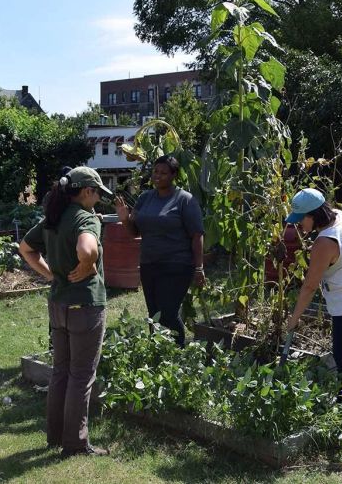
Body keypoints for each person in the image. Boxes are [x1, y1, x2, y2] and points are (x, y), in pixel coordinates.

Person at [19, 166, 112, 457]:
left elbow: (25, 248)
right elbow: (87, 250)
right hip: (85, 307)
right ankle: (75, 444)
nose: (98, 200)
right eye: (97, 193)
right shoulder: (85, 218)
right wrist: (88, 263)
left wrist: (50, 274)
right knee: (81, 376)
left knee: (61, 372)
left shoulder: (53, 218)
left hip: (58, 305)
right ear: (87, 191)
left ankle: (55, 436)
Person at [285, 188, 342, 397]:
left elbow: (309, 286)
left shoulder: (325, 242)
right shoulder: (339, 216)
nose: (299, 225)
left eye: (301, 219)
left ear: (314, 215)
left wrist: (294, 319)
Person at [115, 155, 205, 347]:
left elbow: (197, 235)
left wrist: (199, 268)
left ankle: (178, 351)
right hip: (149, 264)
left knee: (168, 313)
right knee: (154, 314)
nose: (158, 176)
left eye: (164, 173)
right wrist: (124, 219)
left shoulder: (184, 200)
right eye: (156, 171)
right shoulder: (145, 198)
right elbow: (134, 232)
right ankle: (158, 352)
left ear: (174, 175)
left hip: (177, 265)